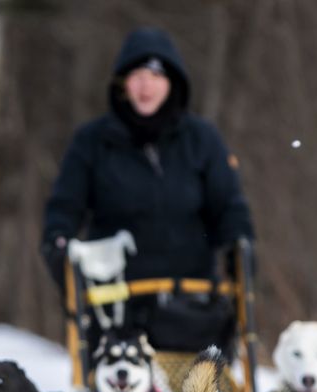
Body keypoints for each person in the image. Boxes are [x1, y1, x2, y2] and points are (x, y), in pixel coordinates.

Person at [41, 26, 255, 357]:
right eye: (137, 75)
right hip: (117, 307)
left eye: (156, 75)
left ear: (172, 83)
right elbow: (65, 205)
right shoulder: (93, 141)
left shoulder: (202, 139)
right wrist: (58, 238)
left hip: (192, 305)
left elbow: (228, 205)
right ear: (123, 84)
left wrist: (239, 244)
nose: (146, 85)